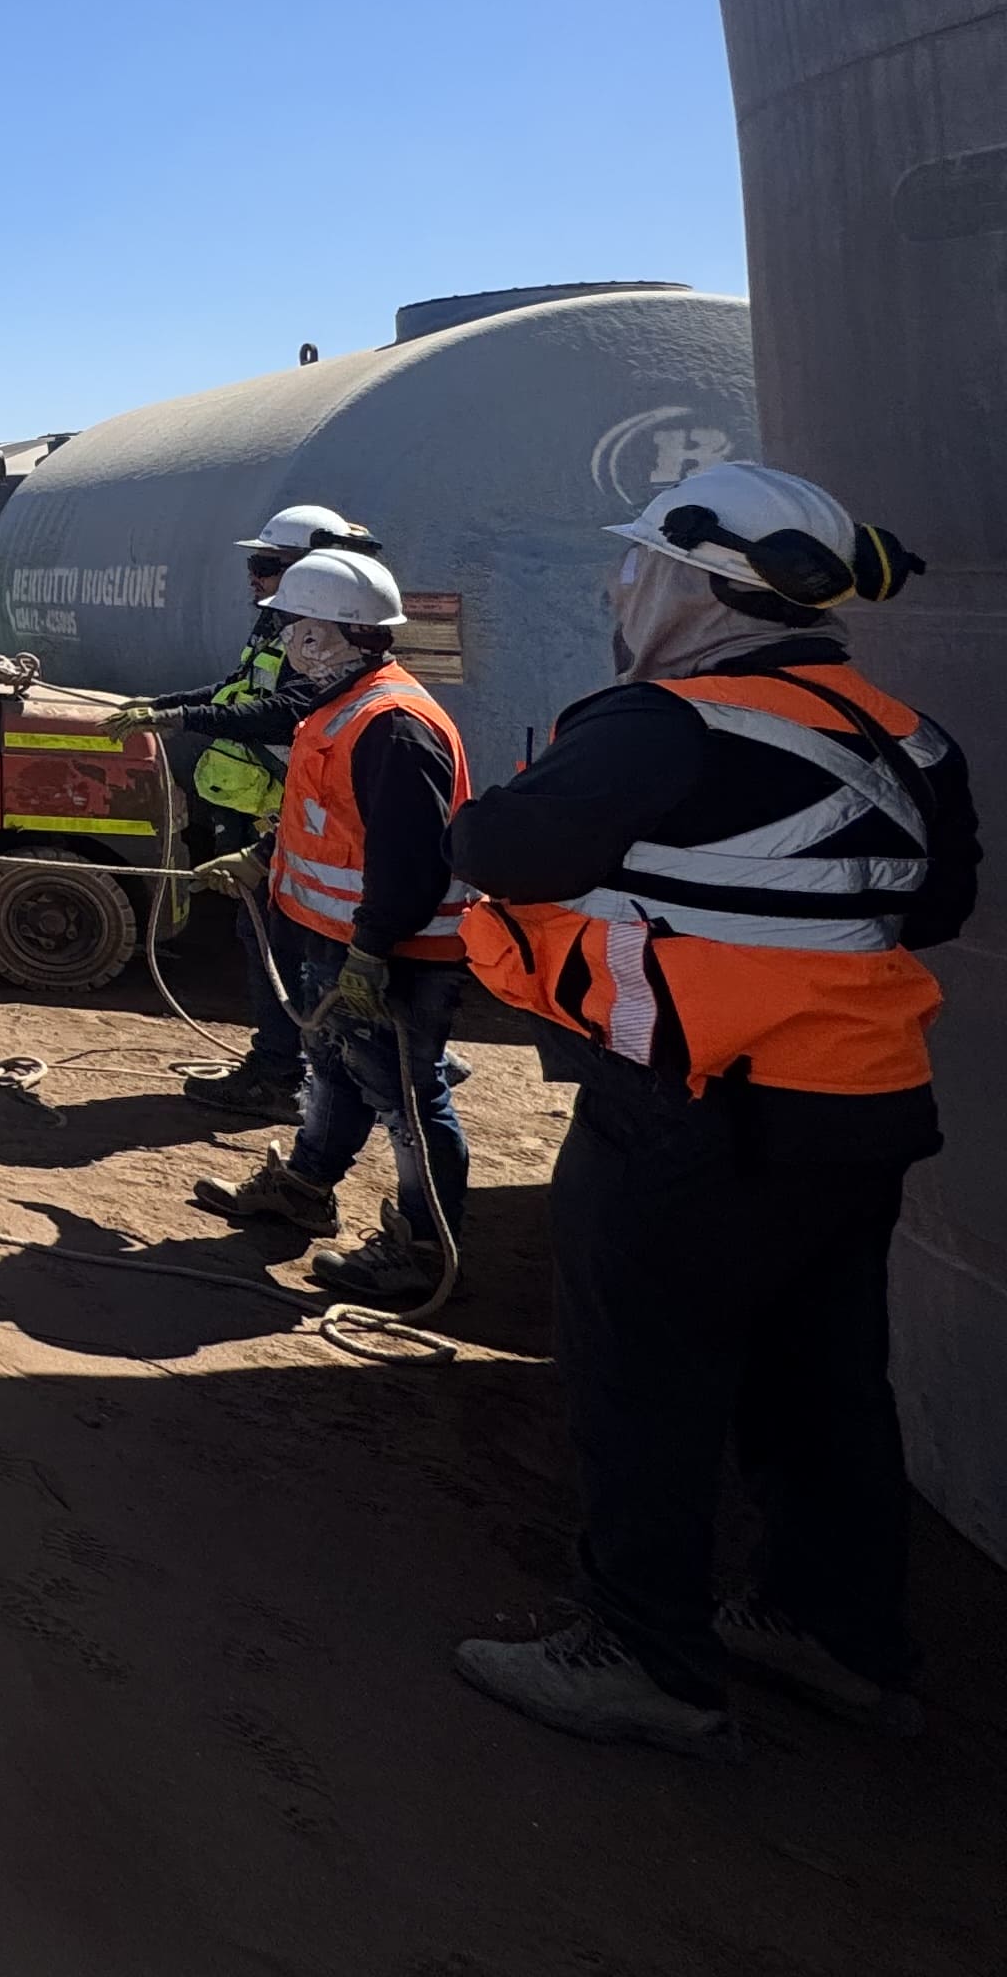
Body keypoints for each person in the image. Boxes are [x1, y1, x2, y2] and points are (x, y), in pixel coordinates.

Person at [442, 462, 970, 1759]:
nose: (623, 584)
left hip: (691, 1118)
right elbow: (936, 908)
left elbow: (498, 851)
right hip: (862, 1117)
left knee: (645, 1382)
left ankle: (644, 1658)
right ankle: (839, 1637)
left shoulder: (658, 723)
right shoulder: (910, 734)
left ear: (706, 584)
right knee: (826, 1384)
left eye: (641, 564)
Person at [187, 544, 474, 1305]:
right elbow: (329, 816)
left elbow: (409, 859)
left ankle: (423, 1247)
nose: (283, 641)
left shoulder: (392, 724)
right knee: (335, 1071)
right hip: (336, 941)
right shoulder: (340, 706)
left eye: (293, 626)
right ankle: (304, 1188)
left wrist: (372, 953)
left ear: (329, 634)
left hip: (391, 955)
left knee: (408, 1100)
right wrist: (261, 856)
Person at [149, 505, 374, 1124]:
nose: (254, 576)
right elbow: (237, 692)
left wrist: (179, 718)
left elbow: (281, 713)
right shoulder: (282, 631)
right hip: (267, 812)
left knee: (286, 943)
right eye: (255, 563)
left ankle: (288, 1073)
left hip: (290, 817)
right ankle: (305, 1065)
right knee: (271, 938)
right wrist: (163, 705)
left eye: (267, 565)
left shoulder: (326, 645)